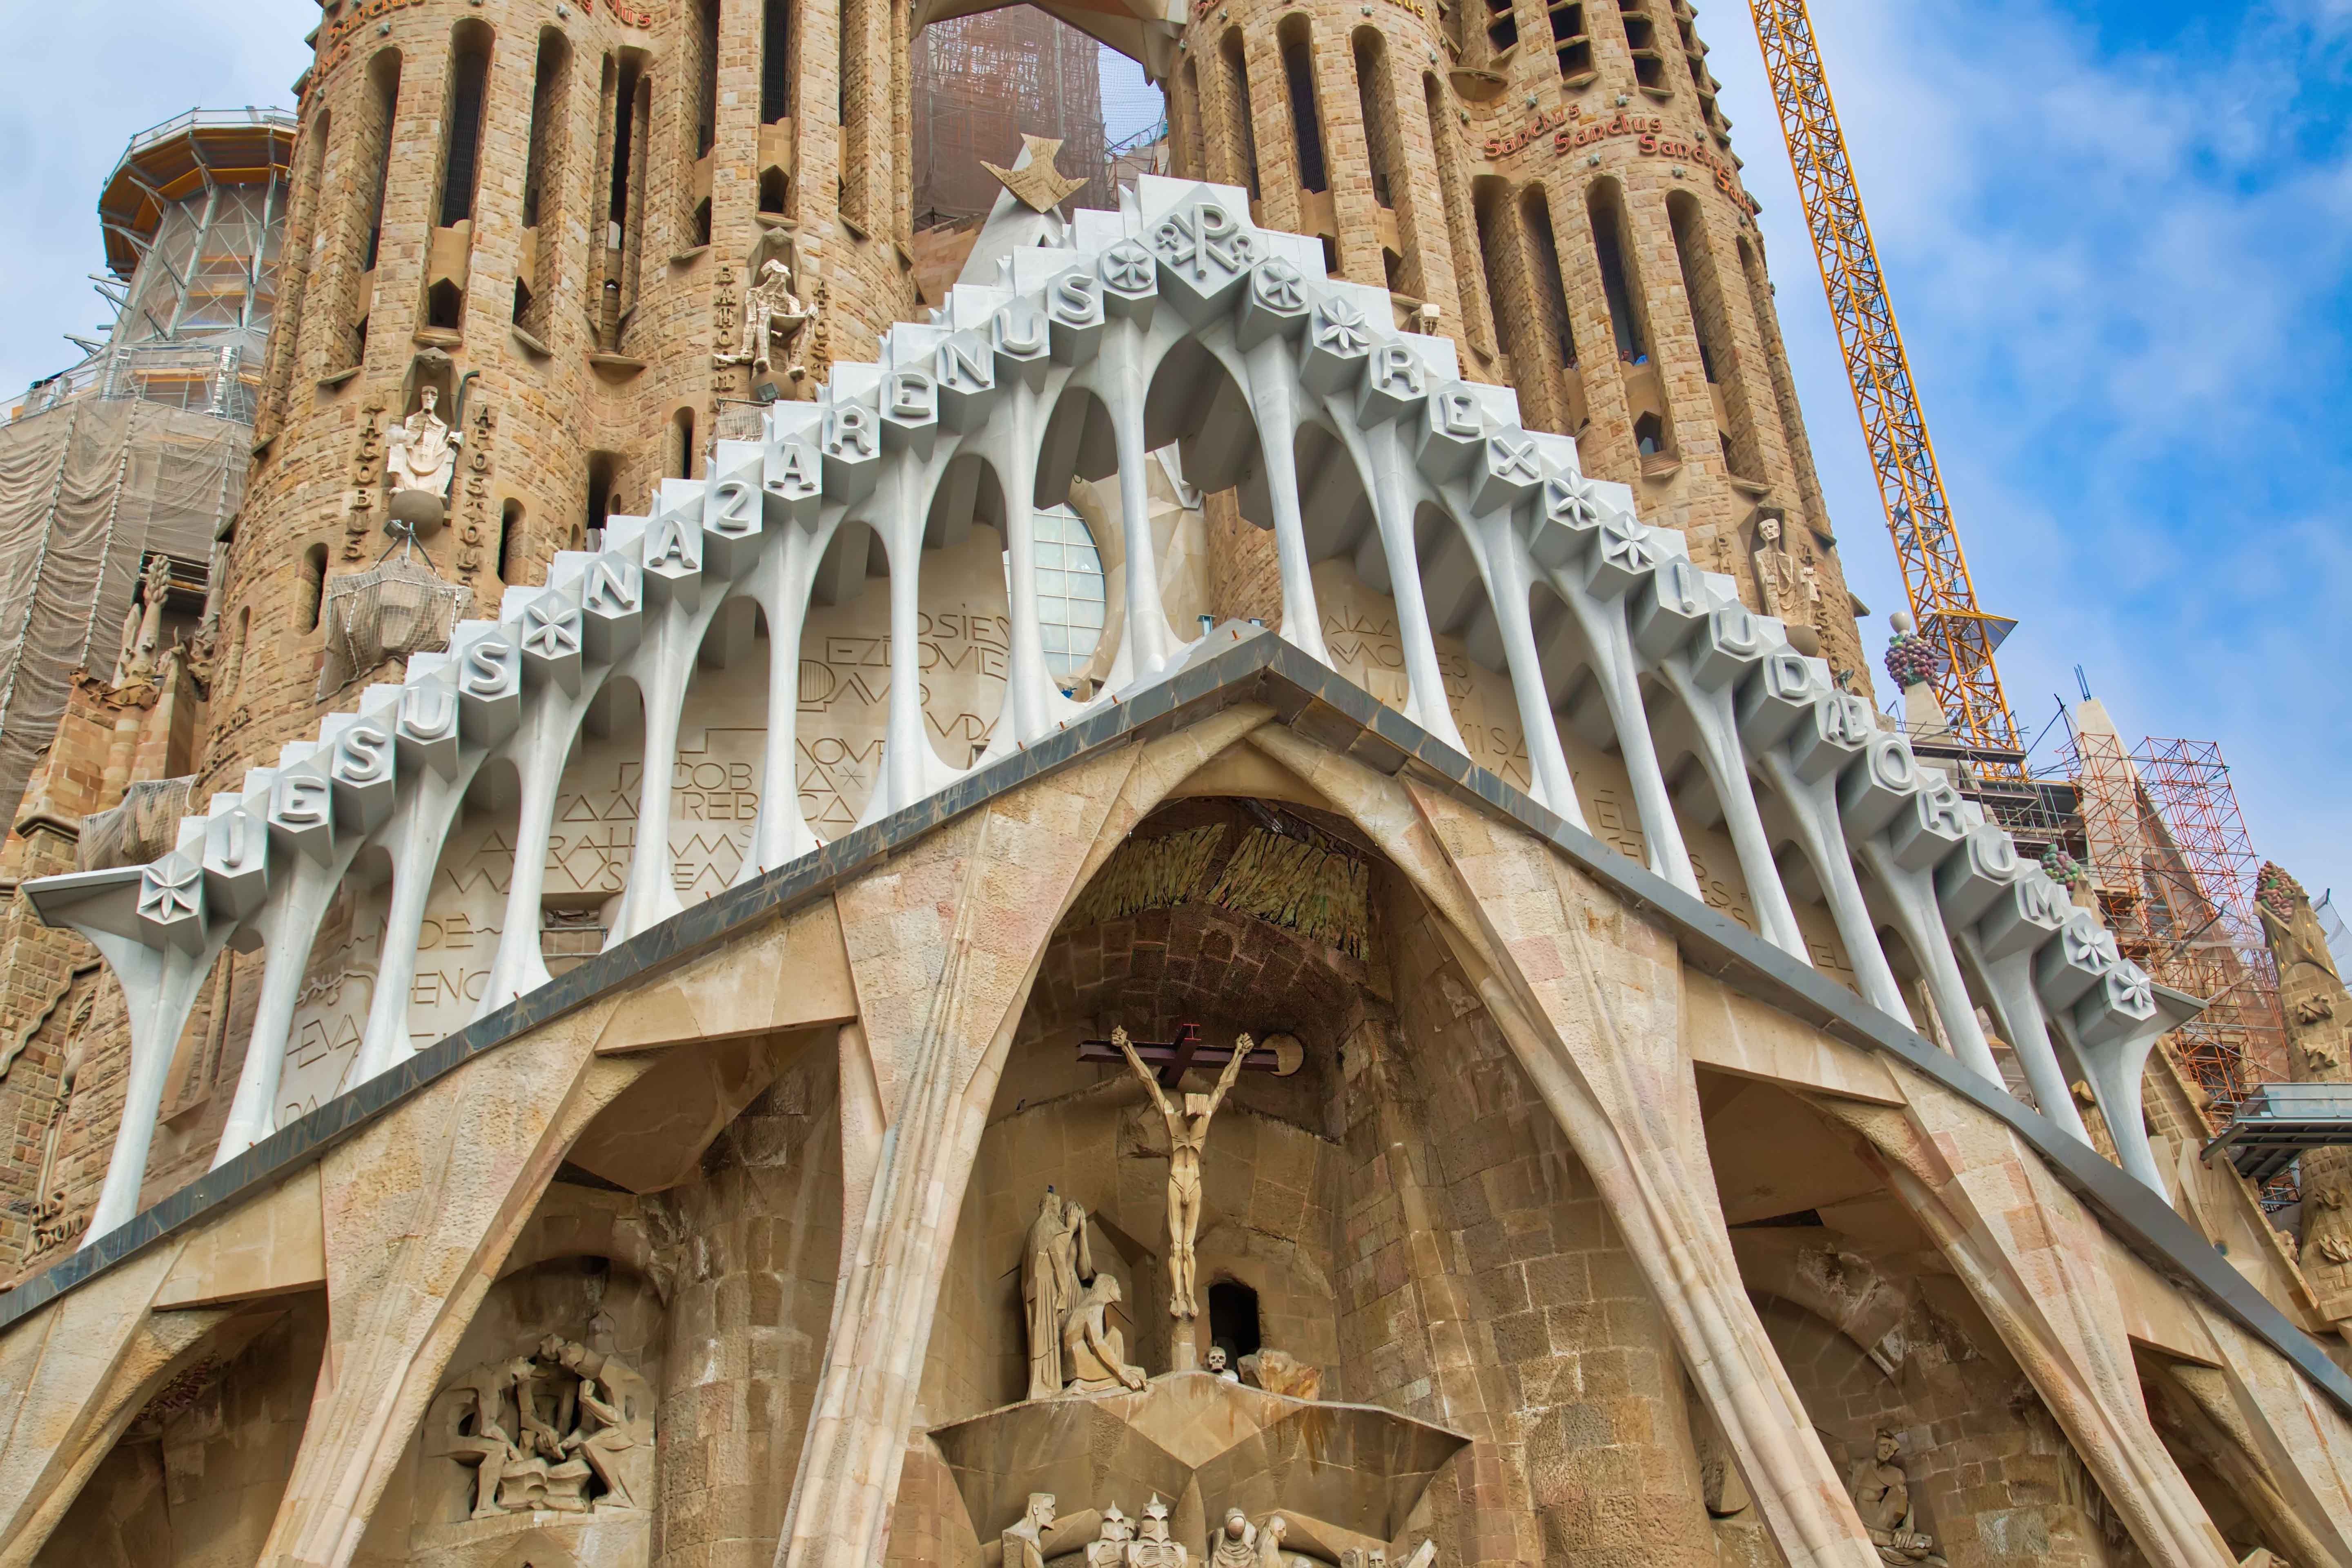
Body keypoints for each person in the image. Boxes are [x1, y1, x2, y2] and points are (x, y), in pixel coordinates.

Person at [1117, 1026, 1251, 1318]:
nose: (1193, 1119)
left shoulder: (1203, 1120)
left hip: (1193, 1184)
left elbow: (1224, 1086)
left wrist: (1239, 1054)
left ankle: (1189, 1298)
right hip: (1178, 1182)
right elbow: (1148, 1082)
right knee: (1177, 1247)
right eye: (1192, 1115)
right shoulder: (1170, 1117)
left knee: (1188, 1248)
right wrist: (1128, 1048)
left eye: (1197, 1116)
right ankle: (1176, 1297)